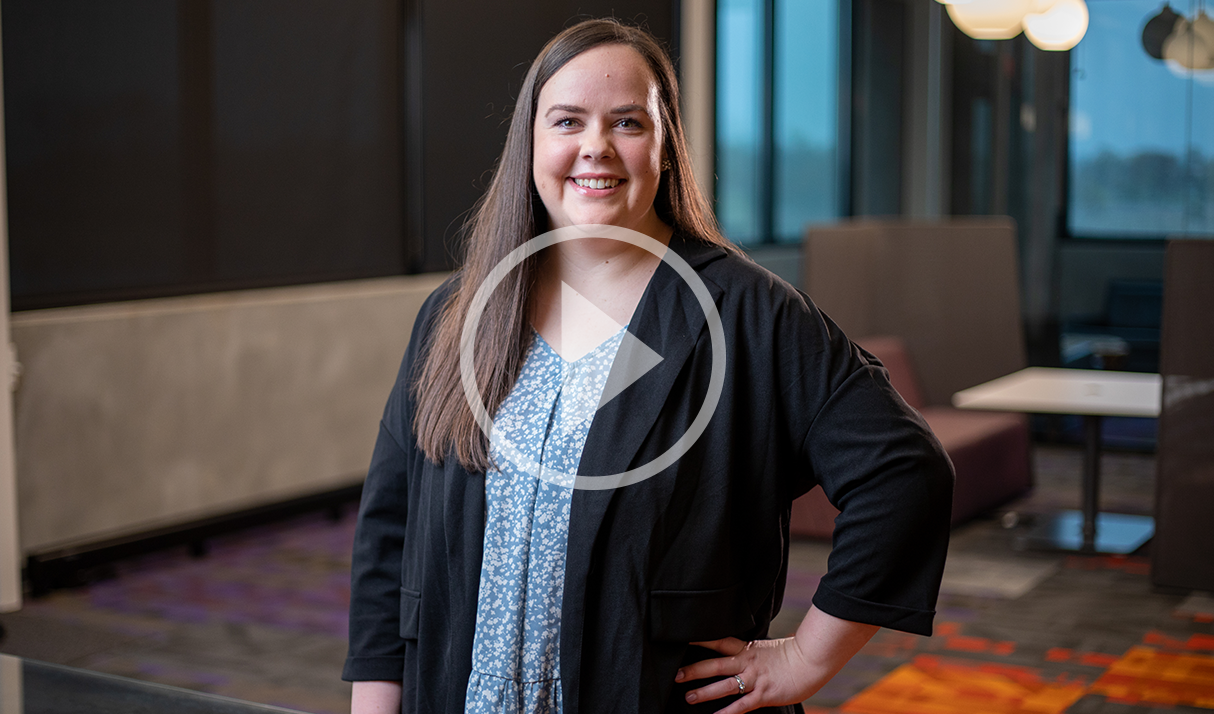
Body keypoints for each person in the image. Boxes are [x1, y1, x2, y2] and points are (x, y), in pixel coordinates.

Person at [344, 18, 953, 714]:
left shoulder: (747, 314)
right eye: (567, 120)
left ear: (666, 147)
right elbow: (391, 533)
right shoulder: (459, 313)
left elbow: (905, 473)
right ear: (531, 144)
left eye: (627, 122)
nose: (594, 147)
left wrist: (808, 657)